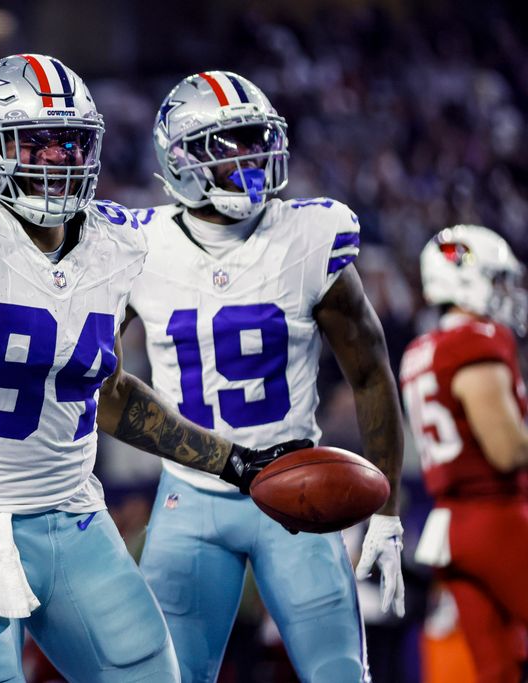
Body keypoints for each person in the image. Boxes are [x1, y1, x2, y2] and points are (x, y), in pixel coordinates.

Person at [0, 55, 308, 683]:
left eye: (70, 143)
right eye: (34, 144)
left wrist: (232, 461)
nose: (57, 160)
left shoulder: (113, 239)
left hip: (71, 513)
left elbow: (107, 390)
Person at [126, 71, 405, 682]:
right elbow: (90, 374)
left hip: (297, 488)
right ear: (180, 159)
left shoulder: (308, 236)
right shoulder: (135, 247)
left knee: (338, 675)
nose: (249, 159)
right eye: (226, 146)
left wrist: (387, 509)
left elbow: (369, 372)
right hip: (191, 496)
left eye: (255, 140)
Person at [401, 224, 528, 683]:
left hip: (452, 527)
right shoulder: (475, 341)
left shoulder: (419, 351)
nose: (506, 292)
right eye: (496, 279)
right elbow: (507, 450)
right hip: (497, 517)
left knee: (497, 671)